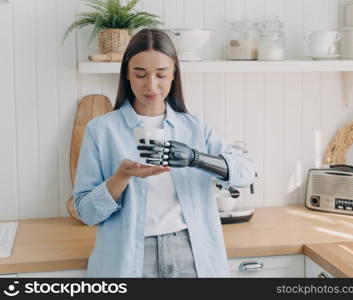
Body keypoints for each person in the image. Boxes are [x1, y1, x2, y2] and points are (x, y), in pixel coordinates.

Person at [73, 28, 256, 278]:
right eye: (140, 74)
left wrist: (196, 158)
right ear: (127, 73)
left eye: (161, 74)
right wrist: (121, 178)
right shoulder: (101, 130)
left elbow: (248, 172)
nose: (151, 85)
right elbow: (86, 213)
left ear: (174, 74)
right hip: (127, 260)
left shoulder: (194, 128)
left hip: (190, 254)